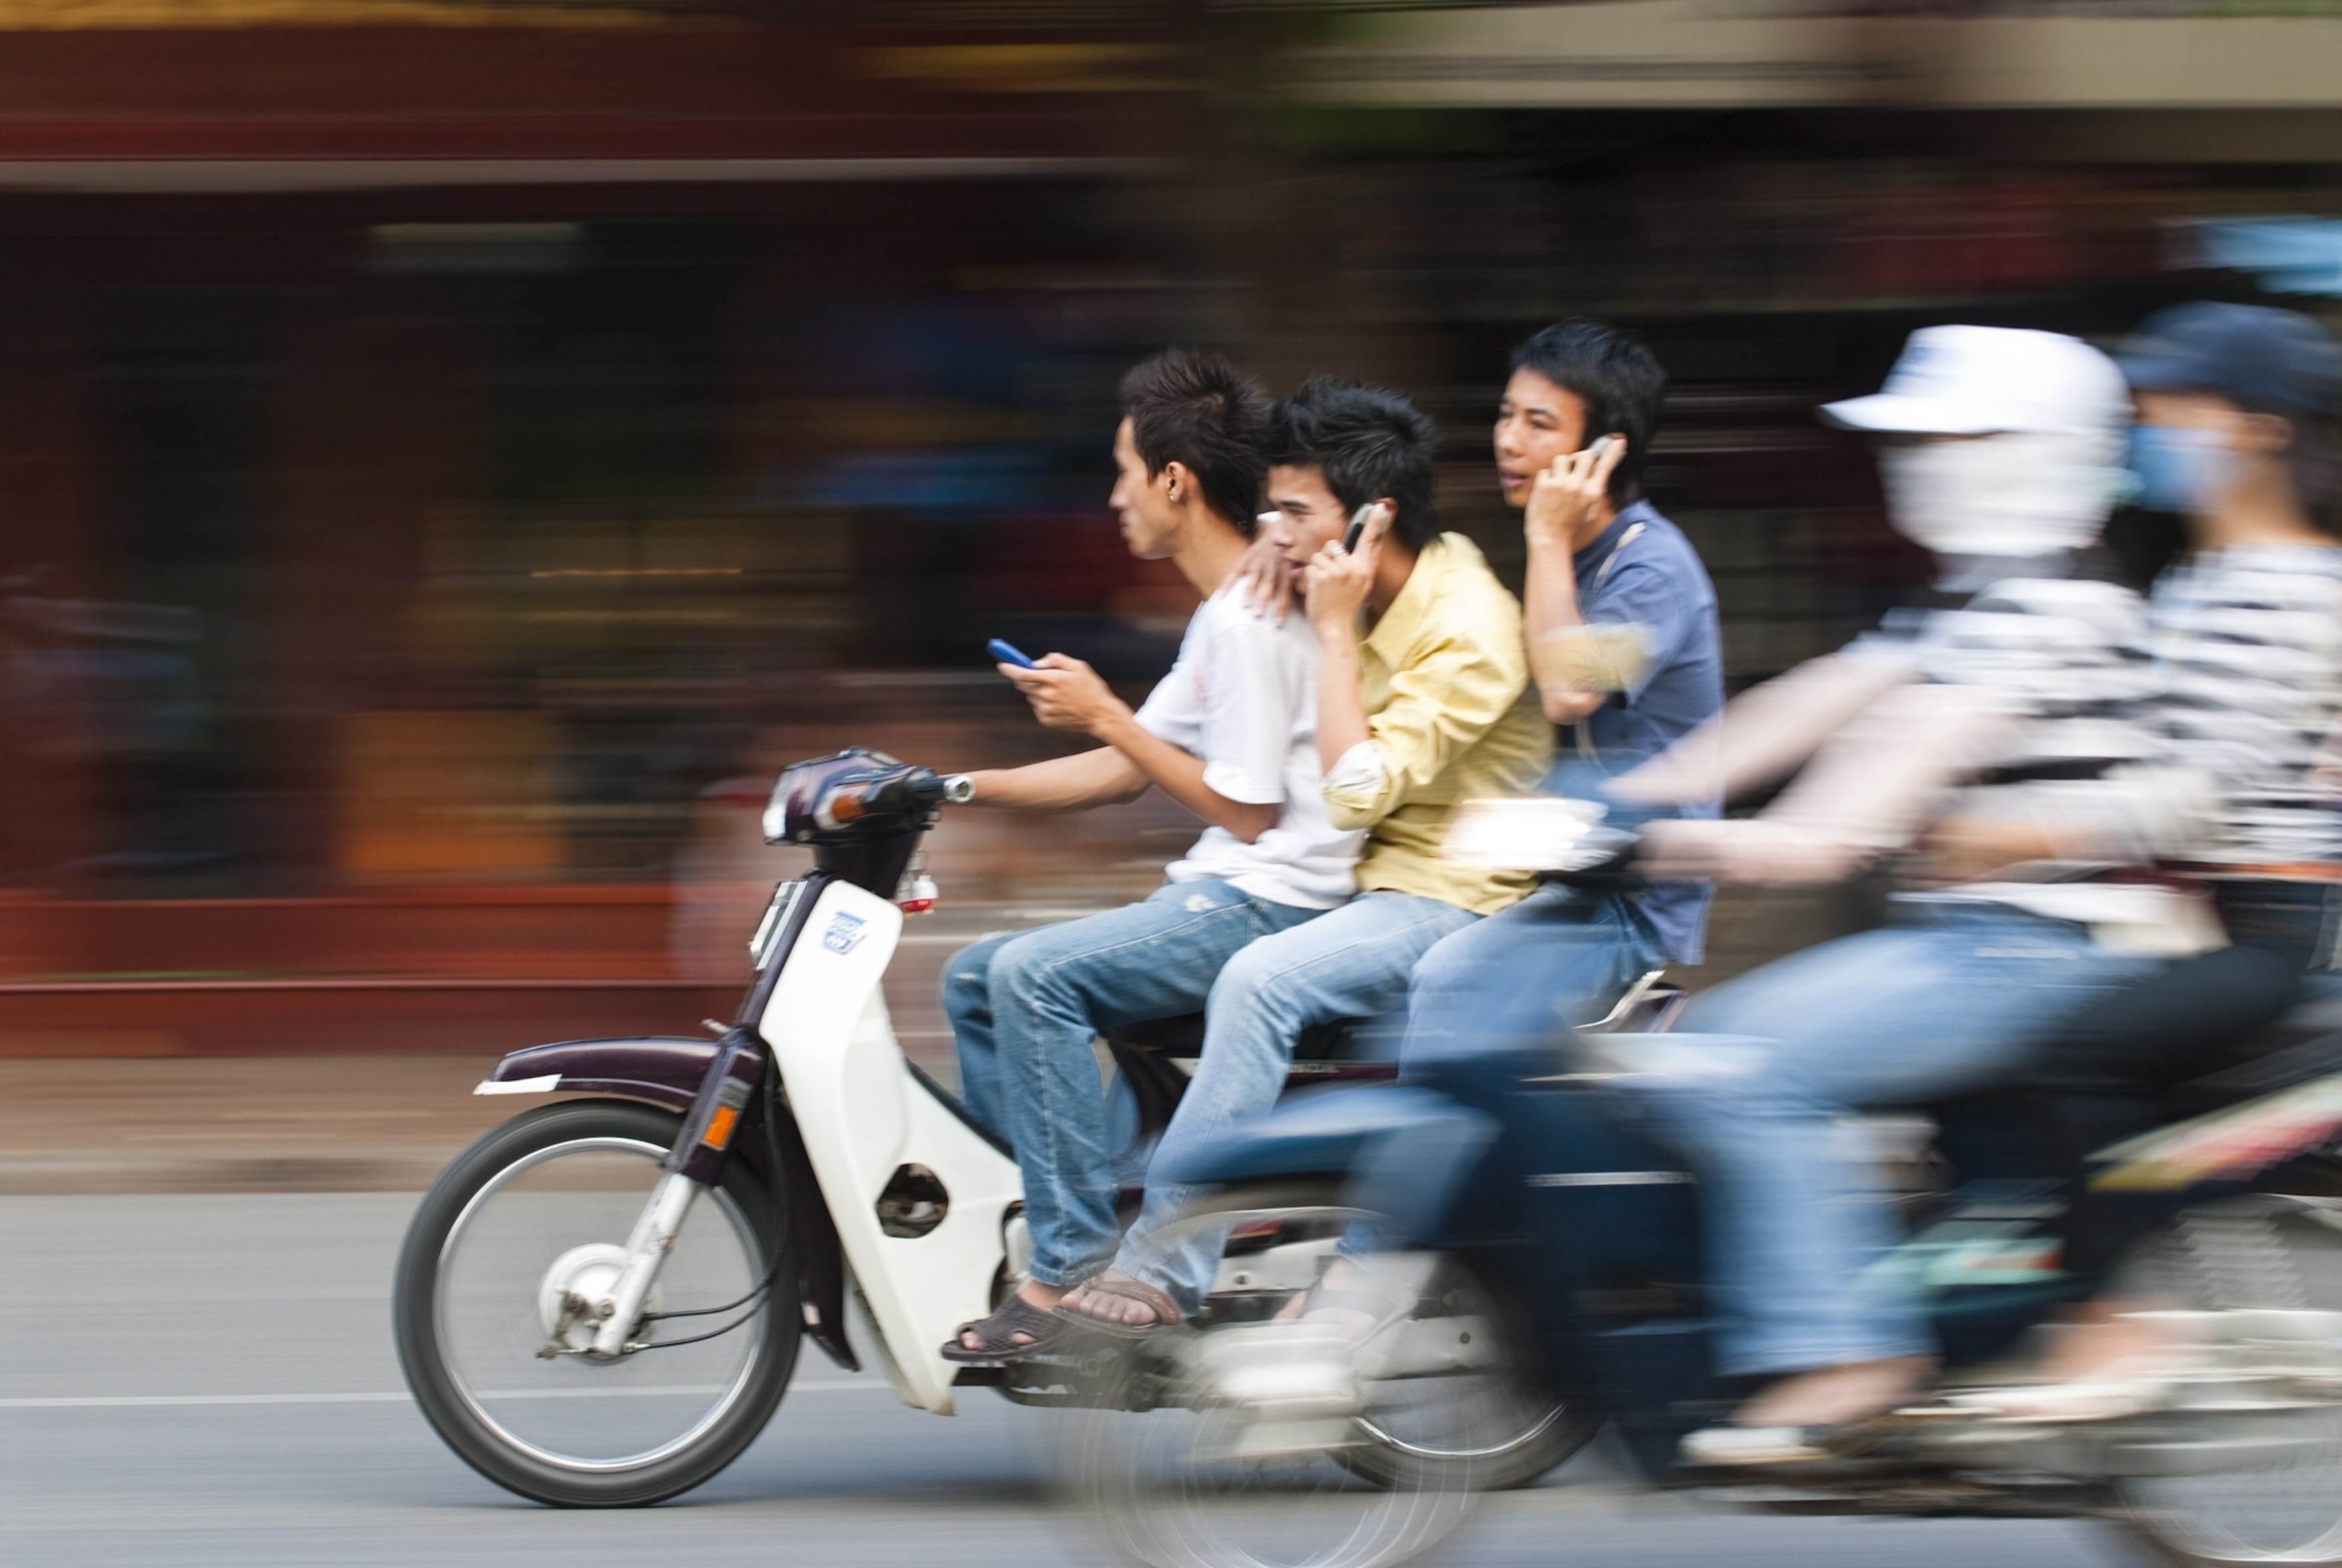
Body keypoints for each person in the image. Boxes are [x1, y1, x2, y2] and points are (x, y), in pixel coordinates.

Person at [1628, 311, 2342, 1464]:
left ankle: (2086, 1322)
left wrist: (2010, 834)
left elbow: (2202, 792)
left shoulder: (2270, 588)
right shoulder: (2174, 582)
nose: (2149, 435)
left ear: (2256, 431)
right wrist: (1630, 795)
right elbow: (1844, 691)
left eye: (2175, 413)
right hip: (2162, 906)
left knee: (2046, 1062)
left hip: (2263, 916)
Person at [1052, 377, 1554, 1334]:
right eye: (1270, 505)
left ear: (1374, 519)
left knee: (1259, 981)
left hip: (1454, 888)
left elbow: (1355, 790)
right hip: (1360, 876)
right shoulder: (1360, 571)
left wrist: (1327, 628)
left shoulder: (1468, 628)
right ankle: (1115, 1210)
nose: (1271, 531)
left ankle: (1166, 1268)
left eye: (1292, 510)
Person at [938, 348, 1362, 1362]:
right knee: (972, 977)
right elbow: (1123, 769)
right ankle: (1118, 1184)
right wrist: (940, 789)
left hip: (1278, 903)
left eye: (1126, 469)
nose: (1116, 493)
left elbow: (1249, 815)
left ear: (1175, 481)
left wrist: (1111, 717)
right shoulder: (1228, 613)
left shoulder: (1253, 621)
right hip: (1233, 888)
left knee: (1034, 975)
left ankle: (1070, 1266)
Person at [1317, 319, 1726, 1284]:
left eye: (1540, 423)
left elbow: (1571, 687)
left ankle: (1381, 1262)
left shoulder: (1650, 567)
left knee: (1453, 988)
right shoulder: (1579, 555)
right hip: (1564, 868)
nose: (1509, 441)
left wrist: (1544, 537)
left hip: (1632, 894)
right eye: (1506, 415)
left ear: (1601, 450)